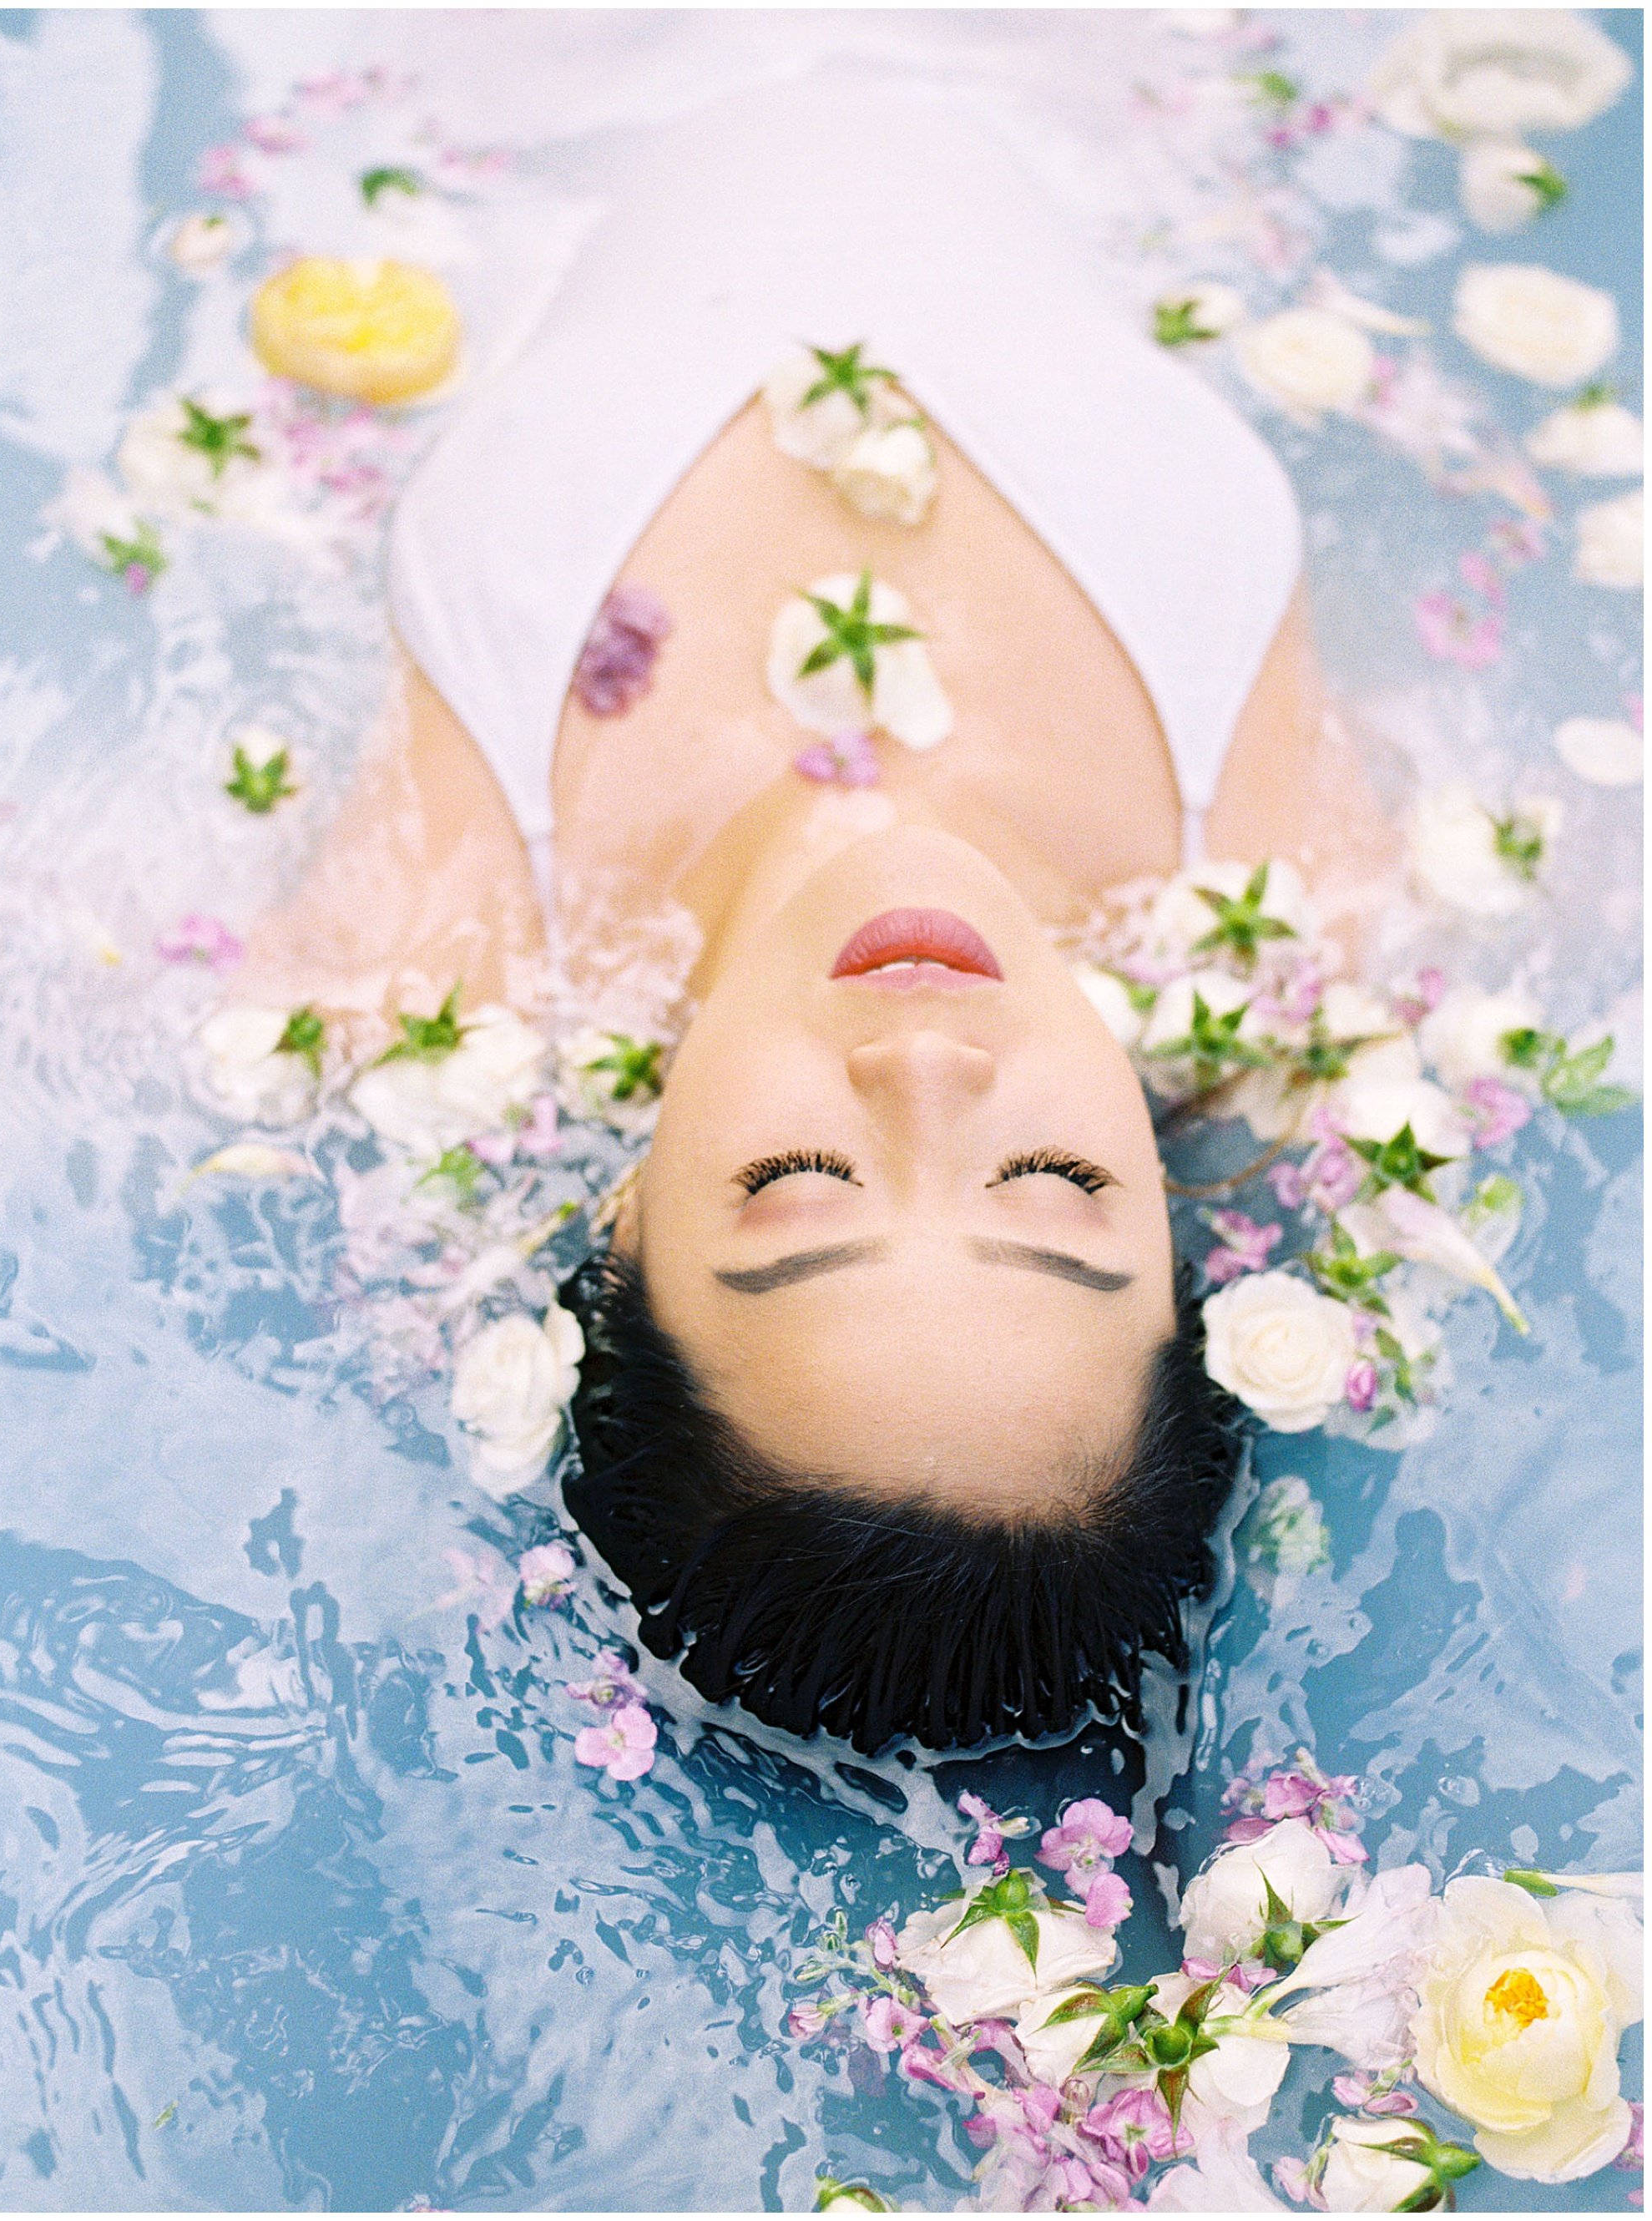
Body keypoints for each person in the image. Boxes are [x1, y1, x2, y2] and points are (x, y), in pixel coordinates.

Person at [242, 66, 1394, 1753]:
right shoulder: (1299, 903)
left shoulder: (428, 944)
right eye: (1056, 1179)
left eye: (800, 1183)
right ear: (1175, 1242)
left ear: (619, 1229)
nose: (927, 1073)